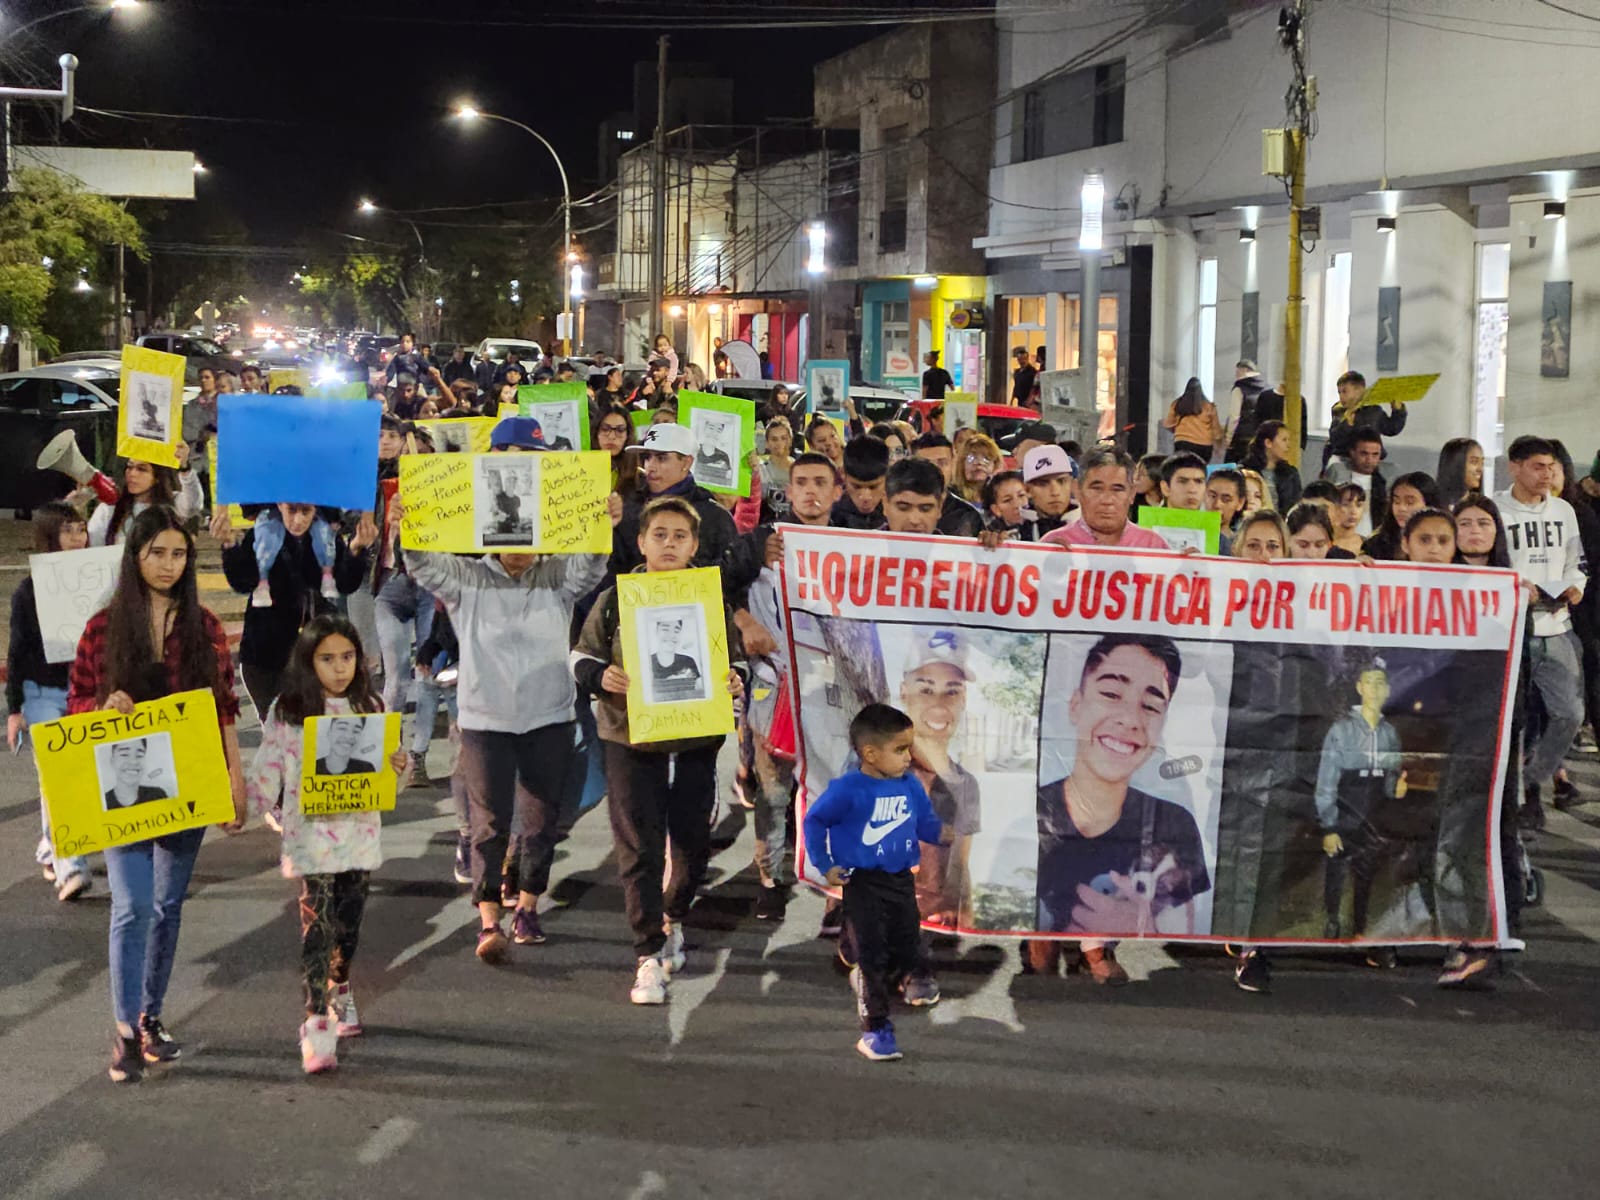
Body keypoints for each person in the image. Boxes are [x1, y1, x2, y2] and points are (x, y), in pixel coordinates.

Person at [400, 416, 621, 962]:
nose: (520, 546)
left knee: (541, 822)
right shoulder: (467, 579)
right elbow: (424, 563)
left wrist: (601, 525)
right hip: (484, 721)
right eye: (510, 536)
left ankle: (528, 906)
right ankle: (489, 918)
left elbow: (592, 564)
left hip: (548, 716)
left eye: (531, 535)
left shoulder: (559, 576)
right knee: (489, 824)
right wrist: (412, 524)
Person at [67, 507, 246, 1083]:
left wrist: (234, 780)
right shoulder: (101, 628)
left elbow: (222, 710)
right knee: (134, 904)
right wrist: (100, 708)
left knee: (167, 907)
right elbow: (75, 709)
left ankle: (150, 1017)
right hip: (122, 790)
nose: (168, 565)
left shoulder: (206, 627)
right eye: (156, 553)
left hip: (187, 787)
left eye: (178, 554)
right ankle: (123, 1030)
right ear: (134, 556)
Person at [572, 497, 746, 1004]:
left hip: (695, 738)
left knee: (691, 843)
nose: (669, 544)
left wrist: (738, 679)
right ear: (642, 542)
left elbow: (736, 663)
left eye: (679, 537)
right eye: (659, 535)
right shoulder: (615, 599)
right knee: (639, 847)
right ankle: (647, 953)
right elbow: (581, 655)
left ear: (695, 545)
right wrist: (599, 674)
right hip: (628, 736)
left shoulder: (709, 602)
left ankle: (673, 917)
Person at [248, 614, 410, 1073]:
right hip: (310, 838)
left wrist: (398, 769)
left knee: (348, 924)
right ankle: (315, 1019)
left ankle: (341, 984)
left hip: (359, 837)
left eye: (347, 657)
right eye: (327, 659)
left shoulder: (370, 707)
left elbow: (387, 787)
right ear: (308, 661)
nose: (339, 668)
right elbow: (269, 767)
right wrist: (240, 807)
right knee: (316, 925)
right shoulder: (289, 709)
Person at [1035, 635, 1211, 983]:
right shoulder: (1031, 810)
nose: (1130, 718)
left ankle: (1097, 953)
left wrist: (1142, 924)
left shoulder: (1175, 824)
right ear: (1075, 705)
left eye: (1150, 705)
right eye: (1112, 694)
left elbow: (1187, 920)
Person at [722, 453, 843, 920]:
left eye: (821, 483)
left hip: (833, 691)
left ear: (837, 492)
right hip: (773, 686)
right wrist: (745, 621)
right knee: (774, 793)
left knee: (832, 788)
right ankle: (771, 878)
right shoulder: (759, 544)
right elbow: (718, 584)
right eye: (801, 483)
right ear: (787, 492)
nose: (811, 491)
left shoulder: (854, 544)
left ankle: (835, 883)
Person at [802, 704, 947, 1062]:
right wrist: (825, 863)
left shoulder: (910, 785)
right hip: (863, 883)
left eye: (909, 748)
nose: (909, 757)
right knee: (873, 957)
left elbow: (925, 823)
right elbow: (814, 822)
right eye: (900, 750)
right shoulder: (848, 789)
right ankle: (876, 1030)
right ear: (870, 753)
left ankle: (848, 951)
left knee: (908, 948)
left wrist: (942, 833)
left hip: (901, 882)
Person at [212, 503, 375, 725]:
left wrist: (356, 549)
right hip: (265, 655)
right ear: (279, 505)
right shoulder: (262, 532)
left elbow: (345, 583)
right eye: (291, 511)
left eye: (305, 512)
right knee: (276, 733)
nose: (297, 520)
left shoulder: (325, 537)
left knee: (315, 734)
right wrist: (229, 545)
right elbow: (243, 582)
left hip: (316, 653)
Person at [1495, 436, 1588, 826]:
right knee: (1516, 719)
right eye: (1537, 466)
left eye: (1550, 466)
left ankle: (1533, 777)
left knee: (1569, 713)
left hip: (1555, 623)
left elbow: (1576, 560)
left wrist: (1575, 585)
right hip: (1512, 626)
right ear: (1514, 467)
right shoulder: (1496, 509)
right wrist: (1517, 588)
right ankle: (1519, 796)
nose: (1547, 474)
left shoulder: (1563, 510)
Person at [9, 502, 95, 900]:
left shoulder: (98, 582)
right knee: (58, 778)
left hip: (84, 692)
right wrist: (14, 709)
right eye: (68, 531)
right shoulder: (28, 591)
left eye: (81, 530)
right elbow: (18, 650)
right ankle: (72, 867)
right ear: (49, 537)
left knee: (79, 777)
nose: (78, 538)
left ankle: (51, 846)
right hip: (42, 694)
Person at [1316, 655, 1408, 949]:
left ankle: (1360, 927)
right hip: (1345, 807)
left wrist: (1397, 790)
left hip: (1374, 811)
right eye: (1369, 683)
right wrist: (1328, 826)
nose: (1375, 689)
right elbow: (1327, 781)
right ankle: (1332, 920)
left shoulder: (1390, 734)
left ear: (1388, 690)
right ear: (1359, 687)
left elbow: (1391, 779)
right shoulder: (1341, 731)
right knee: (1337, 870)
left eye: (1381, 684)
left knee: (1367, 873)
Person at [610, 422, 737, 577]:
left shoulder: (715, 517)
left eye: (662, 458)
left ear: (686, 462)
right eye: (647, 457)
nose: (651, 466)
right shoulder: (628, 509)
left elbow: (731, 579)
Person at [1041, 448, 1170, 550]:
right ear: (1077, 490)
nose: (1107, 500)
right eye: (1097, 489)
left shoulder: (1153, 545)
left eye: (1117, 489)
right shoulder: (1054, 543)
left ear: (1132, 493)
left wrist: (1187, 567)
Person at [88, 454, 202, 546]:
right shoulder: (110, 507)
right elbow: (94, 544)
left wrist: (185, 467)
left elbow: (193, 504)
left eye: (141, 469)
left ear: (157, 477)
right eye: (130, 467)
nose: (132, 474)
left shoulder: (173, 503)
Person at [1324, 370, 1407, 467]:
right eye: (1339, 392)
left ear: (1360, 390)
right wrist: (1347, 424)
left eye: (1345, 391)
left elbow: (1391, 429)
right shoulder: (1339, 410)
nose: (1341, 396)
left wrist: (1398, 411)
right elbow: (1334, 438)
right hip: (1345, 458)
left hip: (1371, 459)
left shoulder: (1374, 410)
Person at [910, 433, 983, 537]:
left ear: (953, 464)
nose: (935, 470)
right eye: (926, 463)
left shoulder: (967, 515)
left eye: (942, 463)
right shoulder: (895, 508)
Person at [1323, 429, 1391, 538]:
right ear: (1352, 452)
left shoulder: (1385, 481)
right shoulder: (1337, 473)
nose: (1369, 460)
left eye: (1375, 455)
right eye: (1364, 453)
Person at [1362, 471, 1437, 561]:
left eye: (1410, 502)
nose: (1401, 508)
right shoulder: (1376, 544)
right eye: (1396, 502)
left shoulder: (1444, 543)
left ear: (1429, 505)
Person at [1012, 446, 1078, 541]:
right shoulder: (1014, 533)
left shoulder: (1095, 529)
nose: (1055, 492)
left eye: (1061, 481)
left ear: (1072, 484)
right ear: (1027, 489)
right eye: (1043, 484)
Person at [830, 434, 889, 530]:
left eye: (873, 487)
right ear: (843, 475)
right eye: (856, 486)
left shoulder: (901, 513)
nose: (865, 497)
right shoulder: (828, 516)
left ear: (887, 477)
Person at [1243, 420, 1302, 512]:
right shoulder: (1245, 471)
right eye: (1284, 440)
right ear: (1268, 443)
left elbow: (1297, 507)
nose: (1288, 445)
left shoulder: (1291, 474)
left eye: (1288, 440)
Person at [1223, 360, 1273, 461]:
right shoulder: (1267, 387)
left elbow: (1234, 416)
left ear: (1245, 370)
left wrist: (1228, 438)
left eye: (1237, 372)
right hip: (1261, 437)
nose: (1236, 376)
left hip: (1241, 438)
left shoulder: (1240, 388)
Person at [1163, 378, 1222, 461]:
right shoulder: (1209, 406)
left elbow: (1168, 424)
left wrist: (1178, 431)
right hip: (1204, 445)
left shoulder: (1177, 404)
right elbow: (1216, 431)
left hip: (1182, 442)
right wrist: (1218, 445)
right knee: (1200, 469)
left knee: (1183, 468)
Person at [594, 405, 641, 496]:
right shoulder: (581, 470)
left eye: (620, 430)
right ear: (596, 433)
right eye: (605, 429)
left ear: (628, 435)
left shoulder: (640, 478)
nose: (612, 436)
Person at [758, 419, 795, 520]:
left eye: (784, 438)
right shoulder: (761, 470)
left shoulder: (801, 470)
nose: (779, 443)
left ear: (790, 440)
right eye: (774, 439)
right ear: (767, 443)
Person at [952, 433, 1002, 506]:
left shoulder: (998, 498)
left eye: (986, 459)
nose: (979, 463)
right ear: (962, 463)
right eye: (971, 458)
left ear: (995, 464)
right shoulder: (951, 497)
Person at [1436, 437, 1485, 509]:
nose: (1480, 469)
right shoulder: (1433, 508)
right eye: (1474, 462)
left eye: (1482, 463)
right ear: (1455, 464)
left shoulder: (1484, 508)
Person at [1205, 467, 1247, 536]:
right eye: (1212, 496)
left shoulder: (1239, 545)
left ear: (1240, 503)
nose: (1217, 505)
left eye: (1226, 500)